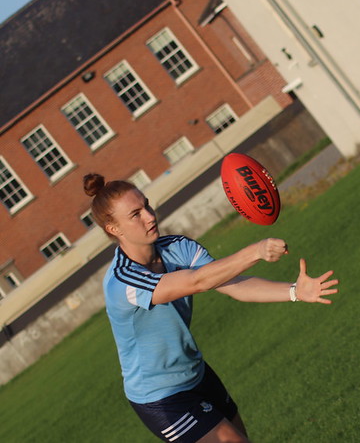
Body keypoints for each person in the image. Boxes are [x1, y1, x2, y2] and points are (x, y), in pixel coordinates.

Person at [84, 173, 338, 442]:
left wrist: (293, 291)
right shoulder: (123, 281)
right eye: (136, 214)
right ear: (114, 229)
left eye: (146, 205)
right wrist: (255, 251)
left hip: (197, 373)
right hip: (160, 396)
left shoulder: (178, 247)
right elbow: (197, 281)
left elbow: (233, 284)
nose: (149, 216)